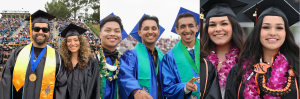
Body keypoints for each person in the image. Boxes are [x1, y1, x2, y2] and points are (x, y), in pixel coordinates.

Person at [225, 0, 300, 98]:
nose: (272, 33)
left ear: (286, 33)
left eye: (279, 28)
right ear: (258, 31)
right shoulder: (238, 71)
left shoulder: (296, 70)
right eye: (266, 27)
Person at [0, 10, 67, 99]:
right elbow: (6, 82)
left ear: (49, 32)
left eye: (45, 29)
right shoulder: (18, 53)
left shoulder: (56, 58)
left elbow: (61, 88)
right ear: (32, 31)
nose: (40, 32)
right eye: (36, 29)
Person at [161, 12, 221, 99]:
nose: (187, 30)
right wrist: (185, 87)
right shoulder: (169, 57)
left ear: (197, 28)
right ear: (177, 30)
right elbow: (167, 88)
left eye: (191, 25)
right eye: (182, 27)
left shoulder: (209, 51)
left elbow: (214, 88)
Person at [200, 0, 248, 98]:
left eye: (224, 24)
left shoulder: (246, 60)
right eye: (212, 25)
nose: (218, 29)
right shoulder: (199, 60)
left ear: (233, 27)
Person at [119, 14, 165, 99]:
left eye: (153, 29)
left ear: (158, 32)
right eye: (146, 29)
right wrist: (135, 90)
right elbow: (125, 75)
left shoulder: (163, 58)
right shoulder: (130, 55)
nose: (150, 32)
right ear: (139, 32)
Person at [59, 23, 99, 99]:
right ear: (66, 43)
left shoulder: (92, 62)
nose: (72, 43)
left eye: (75, 40)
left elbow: (95, 88)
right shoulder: (62, 62)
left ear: (80, 42)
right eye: (69, 40)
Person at [99, 14, 128, 99]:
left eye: (117, 31)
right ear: (100, 34)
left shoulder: (124, 60)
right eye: (107, 30)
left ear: (121, 36)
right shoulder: (93, 58)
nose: (112, 34)